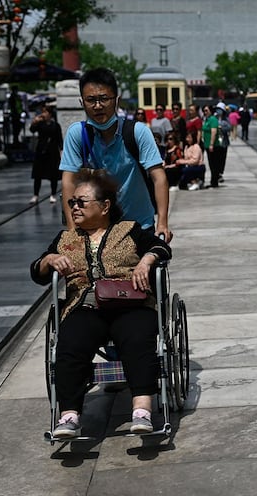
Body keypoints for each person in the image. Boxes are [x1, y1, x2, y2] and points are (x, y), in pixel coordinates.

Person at [30, 168, 172, 437]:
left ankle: (141, 410)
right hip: (85, 306)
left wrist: (146, 260)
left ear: (105, 206)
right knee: (70, 341)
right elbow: (36, 272)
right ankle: (69, 415)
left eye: (81, 202)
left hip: (129, 303)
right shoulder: (65, 239)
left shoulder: (129, 230)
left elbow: (162, 248)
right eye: (72, 202)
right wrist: (49, 261)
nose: (74, 207)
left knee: (138, 337)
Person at [59, 67, 171, 240]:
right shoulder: (77, 135)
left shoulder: (137, 132)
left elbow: (159, 177)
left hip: (138, 226)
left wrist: (162, 223)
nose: (98, 106)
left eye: (104, 99)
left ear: (117, 101)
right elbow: (68, 182)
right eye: (91, 100)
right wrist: (73, 230)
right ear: (82, 102)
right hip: (94, 229)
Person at [29, 105, 63, 204]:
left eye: (45, 112)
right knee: (37, 175)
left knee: (53, 175)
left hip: (52, 151)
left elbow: (59, 139)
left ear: (50, 114)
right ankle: (35, 195)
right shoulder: (40, 124)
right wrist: (34, 122)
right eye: (43, 112)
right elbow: (32, 130)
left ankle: (53, 194)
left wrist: (61, 151)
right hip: (41, 150)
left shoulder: (55, 125)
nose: (43, 114)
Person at [201, 105, 225, 188]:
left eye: (206, 111)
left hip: (213, 146)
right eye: (204, 111)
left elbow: (214, 132)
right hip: (207, 145)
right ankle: (213, 181)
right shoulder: (206, 120)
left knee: (214, 164)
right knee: (211, 164)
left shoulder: (213, 120)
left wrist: (211, 144)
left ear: (211, 111)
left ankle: (214, 182)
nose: (205, 112)